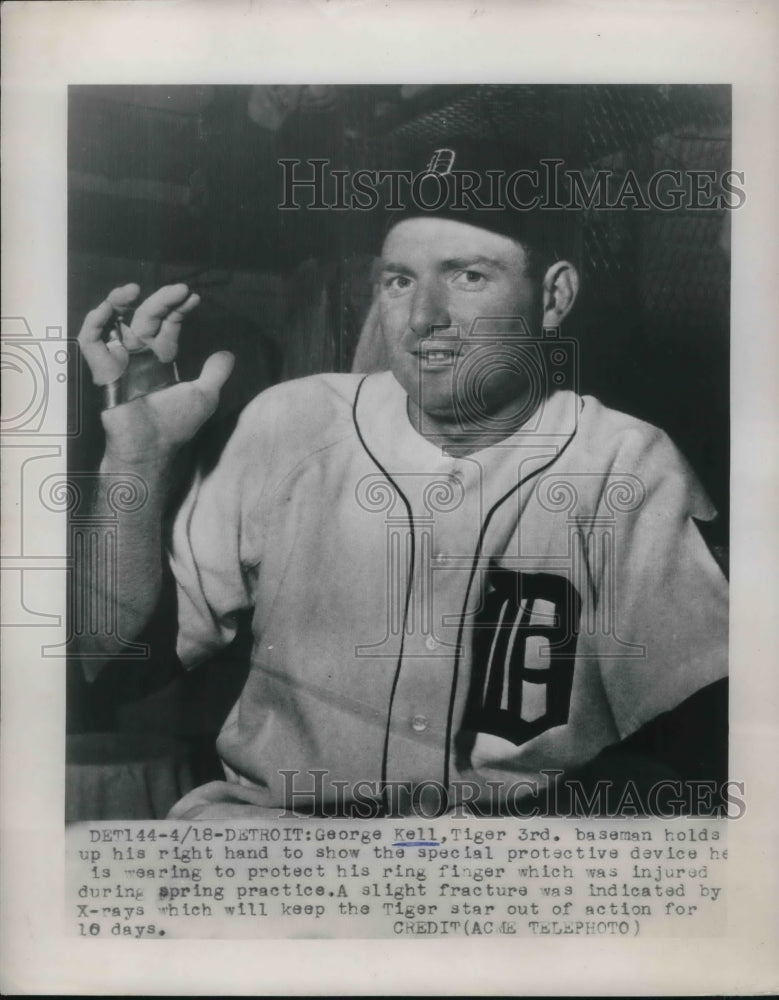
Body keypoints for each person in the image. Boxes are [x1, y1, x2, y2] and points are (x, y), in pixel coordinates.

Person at [76, 140, 728, 820]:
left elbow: (701, 740)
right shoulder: (291, 422)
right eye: (399, 280)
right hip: (278, 843)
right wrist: (137, 458)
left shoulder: (626, 462)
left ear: (553, 296)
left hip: (502, 870)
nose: (422, 320)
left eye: (467, 276)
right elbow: (114, 659)